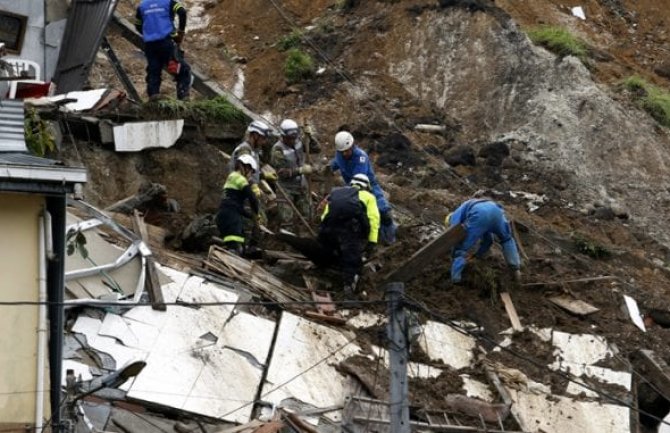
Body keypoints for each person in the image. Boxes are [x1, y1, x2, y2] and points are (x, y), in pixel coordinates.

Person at [330, 130, 396, 244]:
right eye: (342, 152)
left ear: (352, 145)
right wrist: (325, 168)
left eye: (347, 151)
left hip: (368, 186)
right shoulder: (339, 154)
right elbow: (335, 164)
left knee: (384, 214)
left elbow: (359, 179)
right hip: (350, 188)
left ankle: (390, 240)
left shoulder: (360, 157)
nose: (345, 154)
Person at [319, 173, 380, 294]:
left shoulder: (336, 193)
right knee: (352, 258)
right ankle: (348, 286)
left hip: (329, 229)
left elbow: (325, 215)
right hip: (350, 230)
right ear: (366, 186)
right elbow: (374, 219)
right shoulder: (369, 197)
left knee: (331, 250)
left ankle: (324, 274)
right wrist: (372, 241)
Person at [445, 198, 521, 284]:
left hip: (480, 214)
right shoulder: (468, 207)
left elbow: (455, 235)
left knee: (461, 248)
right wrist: (478, 255)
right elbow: (488, 240)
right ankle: (516, 269)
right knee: (506, 238)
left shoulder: (454, 216)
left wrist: (453, 254)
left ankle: (455, 279)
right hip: (496, 210)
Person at [135, 0, 192, 100]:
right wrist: (180, 32)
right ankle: (183, 96)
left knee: (154, 70)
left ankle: (153, 95)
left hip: (150, 45)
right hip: (167, 42)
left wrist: (148, 33)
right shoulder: (168, 2)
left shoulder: (142, 6)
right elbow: (182, 12)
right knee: (182, 69)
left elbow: (138, 25)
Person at [270, 119, 315, 228]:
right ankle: (288, 240)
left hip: (301, 186)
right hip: (286, 189)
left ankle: (306, 237)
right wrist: (300, 171)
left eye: (294, 138)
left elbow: (316, 149)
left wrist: (310, 137)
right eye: (290, 138)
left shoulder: (299, 141)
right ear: (283, 136)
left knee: (308, 215)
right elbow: (281, 173)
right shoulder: (277, 149)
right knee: (287, 221)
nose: (293, 140)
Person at [215, 155, 260, 256]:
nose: (250, 175)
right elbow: (252, 199)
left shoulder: (231, 177)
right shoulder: (239, 178)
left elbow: (235, 206)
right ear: (246, 167)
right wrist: (256, 214)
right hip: (232, 218)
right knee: (236, 249)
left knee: (238, 246)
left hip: (224, 216)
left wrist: (250, 216)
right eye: (251, 172)